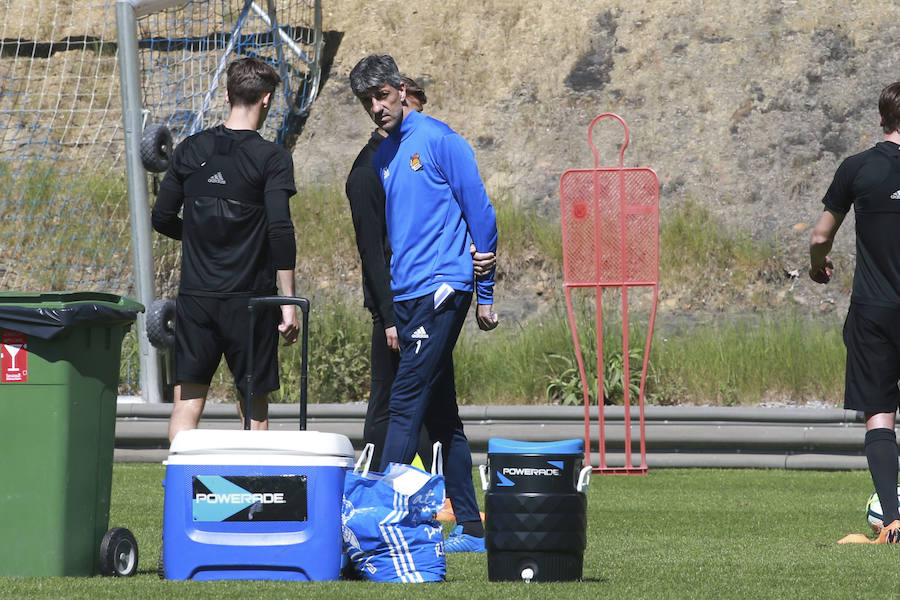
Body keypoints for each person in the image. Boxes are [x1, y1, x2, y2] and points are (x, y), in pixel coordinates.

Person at [350, 54, 499, 553]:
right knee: (441, 414)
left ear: (400, 88)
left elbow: (481, 214)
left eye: (382, 96)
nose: (377, 107)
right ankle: (472, 529)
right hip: (408, 294)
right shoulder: (383, 156)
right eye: (368, 101)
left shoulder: (439, 140)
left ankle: (380, 522)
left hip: (443, 288)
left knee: (404, 397)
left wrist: (485, 296)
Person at [152, 57, 300, 443]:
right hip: (250, 303)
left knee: (186, 404)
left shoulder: (189, 149)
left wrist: (197, 235)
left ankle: (179, 480)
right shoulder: (272, 159)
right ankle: (252, 482)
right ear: (266, 99)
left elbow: (162, 217)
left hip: (196, 300)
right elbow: (280, 231)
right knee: (253, 407)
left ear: (228, 95)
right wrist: (287, 303)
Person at [810, 81, 900, 544]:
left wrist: (817, 266)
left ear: (882, 119)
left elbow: (820, 237)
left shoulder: (857, 168)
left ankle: (892, 521)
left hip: (874, 311)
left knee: (880, 414)